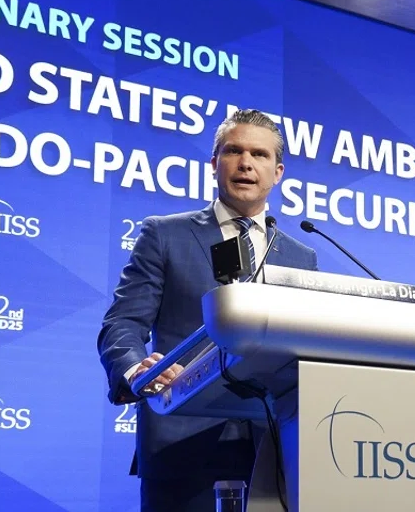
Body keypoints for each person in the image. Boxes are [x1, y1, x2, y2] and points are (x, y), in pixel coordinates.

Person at [97, 109, 318, 512]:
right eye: (233, 151)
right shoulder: (164, 234)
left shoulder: (301, 256)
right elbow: (123, 323)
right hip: (184, 447)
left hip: (279, 452)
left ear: (278, 171)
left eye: (260, 154)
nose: (246, 163)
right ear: (215, 163)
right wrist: (137, 370)